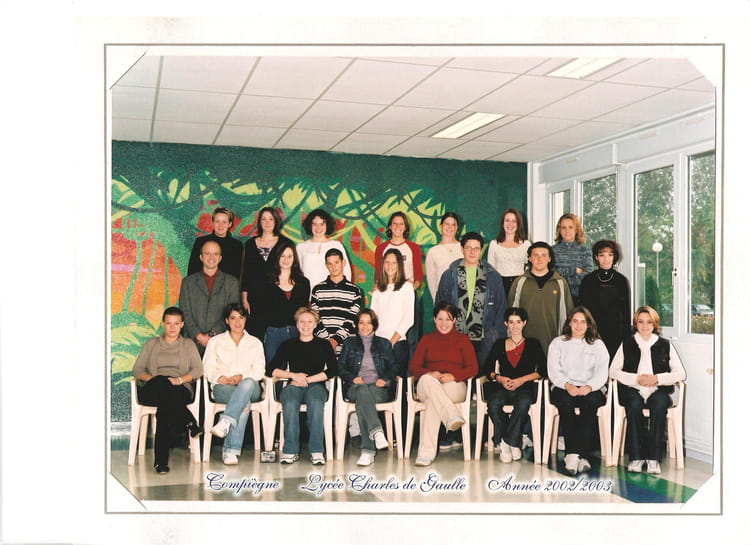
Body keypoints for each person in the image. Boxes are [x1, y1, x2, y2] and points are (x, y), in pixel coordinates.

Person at [610, 306, 686, 475]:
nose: (645, 326)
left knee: (659, 404)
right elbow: (613, 371)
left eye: (649, 322)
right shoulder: (627, 344)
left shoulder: (665, 345)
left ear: (655, 324)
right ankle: (636, 457)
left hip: (657, 390)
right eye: (641, 322)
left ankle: (653, 458)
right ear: (635, 324)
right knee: (633, 404)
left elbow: (681, 373)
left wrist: (657, 378)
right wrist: (635, 379)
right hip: (633, 389)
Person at [131, 307, 203, 474]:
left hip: (180, 389)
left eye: (176, 323)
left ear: (182, 324)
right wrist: (155, 380)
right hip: (153, 389)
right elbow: (137, 370)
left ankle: (160, 462)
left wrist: (179, 380)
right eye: (169, 323)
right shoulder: (152, 343)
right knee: (162, 383)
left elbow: (198, 370)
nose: (172, 327)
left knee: (165, 407)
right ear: (163, 324)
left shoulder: (188, 344)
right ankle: (190, 421)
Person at [408, 302, 478, 466]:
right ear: (434, 319)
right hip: (427, 385)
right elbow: (413, 367)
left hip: (454, 385)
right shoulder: (427, 339)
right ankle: (451, 415)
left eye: (448, 319)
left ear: (454, 320)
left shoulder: (462, 340)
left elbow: (473, 368)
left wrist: (454, 376)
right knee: (427, 380)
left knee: (433, 402)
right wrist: (430, 373)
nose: (443, 323)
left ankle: (425, 454)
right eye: (440, 319)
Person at [267, 308, 338, 465]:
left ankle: (317, 450)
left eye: (309, 322)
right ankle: (290, 451)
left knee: (316, 401)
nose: (305, 325)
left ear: (315, 324)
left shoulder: (324, 345)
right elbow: (271, 369)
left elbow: (333, 370)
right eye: (302, 321)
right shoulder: (288, 344)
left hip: (316, 385)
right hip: (293, 385)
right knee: (290, 401)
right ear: (297, 324)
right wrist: (293, 375)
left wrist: (308, 379)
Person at [547, 306, 610, 475]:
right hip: (563, 387)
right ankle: (578, 456)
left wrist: (589, 387)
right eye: (575, 321)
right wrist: (567, 385)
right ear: (569, 323)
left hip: (591, 387)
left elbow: (602, 372)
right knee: (565, 404)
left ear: (589, 325)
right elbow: (553, 370)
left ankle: (574, 455)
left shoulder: (597, 345)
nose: (578, 325)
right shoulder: (558, 343)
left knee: (590, 405)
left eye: (583, 322)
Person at [202, 303, 265, 465]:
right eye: (233, 318)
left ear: (246, 319)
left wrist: (241, 377)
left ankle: (226, 422)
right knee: (244, 404)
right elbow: (207, 367)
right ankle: (230, 451)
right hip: (223, 387)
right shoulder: (215, 341)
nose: (238, 322)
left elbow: (259, 371)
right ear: (227, 321)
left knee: (247, 383)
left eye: (241, 318)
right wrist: (219, 377)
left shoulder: (255, 342)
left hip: (250, 387)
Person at [482, 307, 545, 463]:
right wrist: (499, 378)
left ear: (524, 323)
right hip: (503, 388)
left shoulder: (533, 343)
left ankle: (505, 442)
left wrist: (522, 380)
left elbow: (543, 370)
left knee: (523, 403)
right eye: (511, 322)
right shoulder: (499, 344)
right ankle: (513, 442)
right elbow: (487, 369)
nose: (514, 326)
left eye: (518, 322)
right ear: (506, 324)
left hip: (524, 388)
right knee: (493, 404)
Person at [338, 309, 399, 466]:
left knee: (363, 400)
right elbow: (340, 367)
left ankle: (368, 451)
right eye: (361, 322)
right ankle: (376, 431)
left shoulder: (384, 344)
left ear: (374, 325)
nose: (365, 326)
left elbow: (394, 367)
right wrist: (352, 378)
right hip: (355, 387)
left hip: (378, 389)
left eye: (369, 323)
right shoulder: (349, 343)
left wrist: (385, 380)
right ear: (357, 324)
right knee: (362, 391)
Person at [436, 231, 507, 366]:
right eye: (468, 248)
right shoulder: (450, 275)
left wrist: (496, 335)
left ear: (481, 250)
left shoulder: (493, 276)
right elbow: (440, 306)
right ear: (462, 249)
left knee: (481, 374)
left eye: (476, 248)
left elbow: (501, 308)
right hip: (455, 336)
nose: (472, 252)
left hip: (484, 337)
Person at [508, 241, 574, 354]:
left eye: (544, 255)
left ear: (549, 259)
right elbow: (511, 315)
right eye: (535, 255)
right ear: (529, 258)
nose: (539, 259)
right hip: (524, 345)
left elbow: (567, 315)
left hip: (553, 344)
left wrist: (565, 342)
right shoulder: (519, 282)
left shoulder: (560, 283)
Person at [178, 240, 240, 355]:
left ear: (220, 258)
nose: (211, 257)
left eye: (215, 254)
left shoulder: (232, 283)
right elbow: (184, 312)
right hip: (192, 343)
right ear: (201, 257)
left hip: (222, 343)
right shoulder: (188, 282)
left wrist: (212, 335)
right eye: (207, 253)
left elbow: (232, 314)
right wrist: (199, 336)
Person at [241, 206, 292, 338]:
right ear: (259, 222)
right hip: (255, 297)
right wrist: (244, 298)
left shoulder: (285, 243)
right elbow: (246, 273)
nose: (267, 222)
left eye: (271, 219)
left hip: (277, 295)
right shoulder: (250, 244)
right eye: (264, 219)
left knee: (275, 336)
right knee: (254, 335)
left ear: (276, 221)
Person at [256, 240, 311, 363]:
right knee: (274, 369)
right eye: (282, 256)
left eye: (289, 256)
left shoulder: (303, 283)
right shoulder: (267, 282)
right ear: (277, 258)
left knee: (297, 368)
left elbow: (303, 311)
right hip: (274, 333)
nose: (286, 260)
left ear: (294, 259)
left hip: (297, 332)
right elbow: (261, 311)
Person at [579, 240, 632, 361]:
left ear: (614, 257)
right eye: (602, 255)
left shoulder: (621, 281)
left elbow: (625, 312)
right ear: (596, 257)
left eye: (610, 255)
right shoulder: (588, 280)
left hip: (615, 334)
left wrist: (627, 339)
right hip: (592, 332)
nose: (606, 259)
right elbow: (583, 310)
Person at [370, 248, 415, 377]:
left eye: (394, 262)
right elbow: (373, 318)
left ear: (399, 265)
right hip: (379, 344)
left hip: (398, 344)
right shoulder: (378, 289)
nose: (390, 266)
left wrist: (391, 342)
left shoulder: (407, 287)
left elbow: (409, 319)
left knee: (397, 383)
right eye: (387, 262)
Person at [310, 248, 363, 355]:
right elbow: (315, 318)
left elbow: (352, 320)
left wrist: (335, 341)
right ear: (326, 265)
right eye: (330, 264)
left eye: (336, 262)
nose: (333, 267)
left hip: (347, 348)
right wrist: (327, 342)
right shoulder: (317, 289)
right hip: (322, 346)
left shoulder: (354, 291)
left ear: (343, 263)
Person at [296, 208, 353, 289]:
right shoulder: (301, 247)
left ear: (327, 225)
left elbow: (346, 271)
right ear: (310, 226)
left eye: (322, 224)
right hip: (307, 293)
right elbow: (297, 273)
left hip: (332, 293)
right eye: (314, 224)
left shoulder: (336, 245)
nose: (318, 228)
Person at [186, 206, 243, 280]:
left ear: (230, 224)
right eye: (217, 221)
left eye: (224, 222)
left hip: (227, 286)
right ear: (213, 222)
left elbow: (236, 274)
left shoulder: (237, 246)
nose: (220, 225)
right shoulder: (200, 242)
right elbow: (192, 270)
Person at [487, 207, 532, 297]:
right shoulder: (494, 244)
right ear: (502, 223)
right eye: (507, 220)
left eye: (514, 221)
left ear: (518, 224)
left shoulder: (526, 244)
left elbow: (530, 267)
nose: (510, 224)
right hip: (499, 286)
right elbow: (490, 270)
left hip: (520, 286)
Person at [374, 211, 423, 290]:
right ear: (390, 226)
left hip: (407, 290)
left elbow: (418, 275)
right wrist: (377, 288)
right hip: (387, 290)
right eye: (394, 223)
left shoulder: (414, 248)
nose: (398, 227)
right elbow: (377, 274)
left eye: (401, 224)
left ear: (405, 227)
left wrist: (412, 288)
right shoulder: (381, 248)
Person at [551, 213, 593, 303]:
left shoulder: (585, 251)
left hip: (580, 298)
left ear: (576, 229)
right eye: (563, 228)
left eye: (570, 227)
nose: (567, 231)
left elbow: (587, 277)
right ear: (559, 230)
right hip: (556, 297)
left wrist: (563, 275)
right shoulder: (551, 251)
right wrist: (574, 270)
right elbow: (552, 274)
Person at [425, 212, 462, 302]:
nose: (450, 227)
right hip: (443, 298)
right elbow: (431, 280)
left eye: (453, 225)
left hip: (462, 297)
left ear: (457, 228)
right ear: (441, 226)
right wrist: (436, 300)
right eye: (447, 224)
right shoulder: (433, 251)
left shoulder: (464, 248)